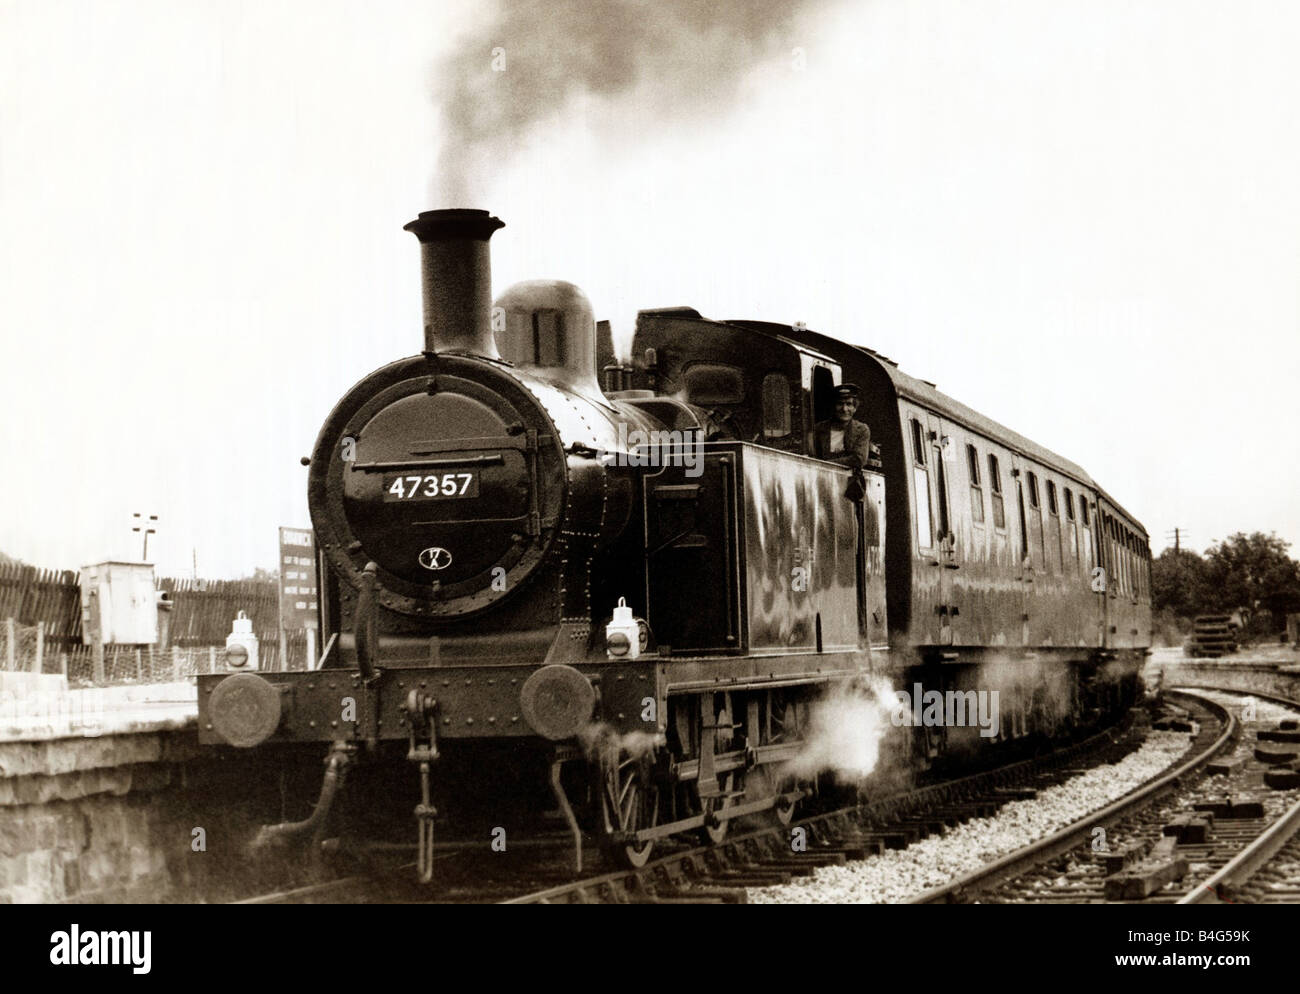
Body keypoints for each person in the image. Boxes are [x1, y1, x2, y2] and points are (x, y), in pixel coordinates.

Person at [810, 384, 871, 469]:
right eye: (840, 404)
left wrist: (825, 464)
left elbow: (858, 459)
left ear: (855, 408)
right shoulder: (819, 429)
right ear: (833, 406)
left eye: (849, 404)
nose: (844, 409)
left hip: (850, 480)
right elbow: (812, 457)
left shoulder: (862, 430)